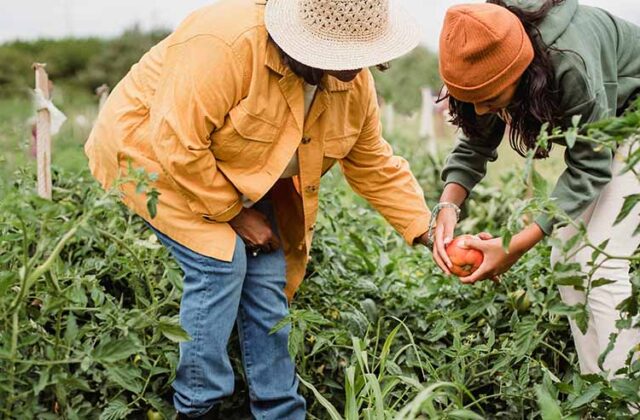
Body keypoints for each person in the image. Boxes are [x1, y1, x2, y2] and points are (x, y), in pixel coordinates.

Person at [85, 0, 432, 418]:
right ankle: (198, 407)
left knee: (269, 273)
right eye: (343, 55)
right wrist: (237, 213)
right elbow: (177, 144)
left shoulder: (351, 82)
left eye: (362, 56)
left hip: (235, 166)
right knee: (221, 261)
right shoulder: (227, 44)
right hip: (152, 156)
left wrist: (428, 230)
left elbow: (373, 162)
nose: (354, 70)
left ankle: (279, 408)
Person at [433, 0, 640, 377]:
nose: (480, 112)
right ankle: (599, 396)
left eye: (490, 100)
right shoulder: (496, 46)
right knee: (566, 262)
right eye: (471, 101)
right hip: (611, 129)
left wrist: (512, 246)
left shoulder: (570, 62)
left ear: (523, 74)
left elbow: (589, 166)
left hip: (634, 119)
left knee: (604, 263)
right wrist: (447, 207)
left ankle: (628, 402)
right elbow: (476, 140)